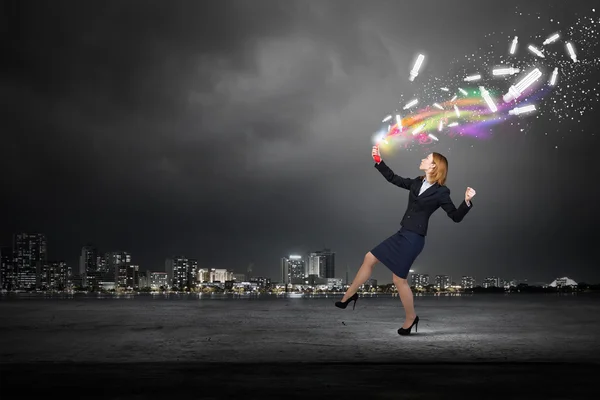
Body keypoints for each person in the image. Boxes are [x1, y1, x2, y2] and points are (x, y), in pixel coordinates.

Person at [335, 145, 476, 336]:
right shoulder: (416, 183)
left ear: (434, 166)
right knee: (369, 257)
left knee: (398, 279)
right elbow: (393, 178)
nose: (423, 159)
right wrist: (379, 161)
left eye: (427, 158)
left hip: (415, 238)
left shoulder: (442, 192)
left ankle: (411, 318)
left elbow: (455, 216)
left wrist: (466, 201)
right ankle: (349, 295)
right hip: (402, 233)